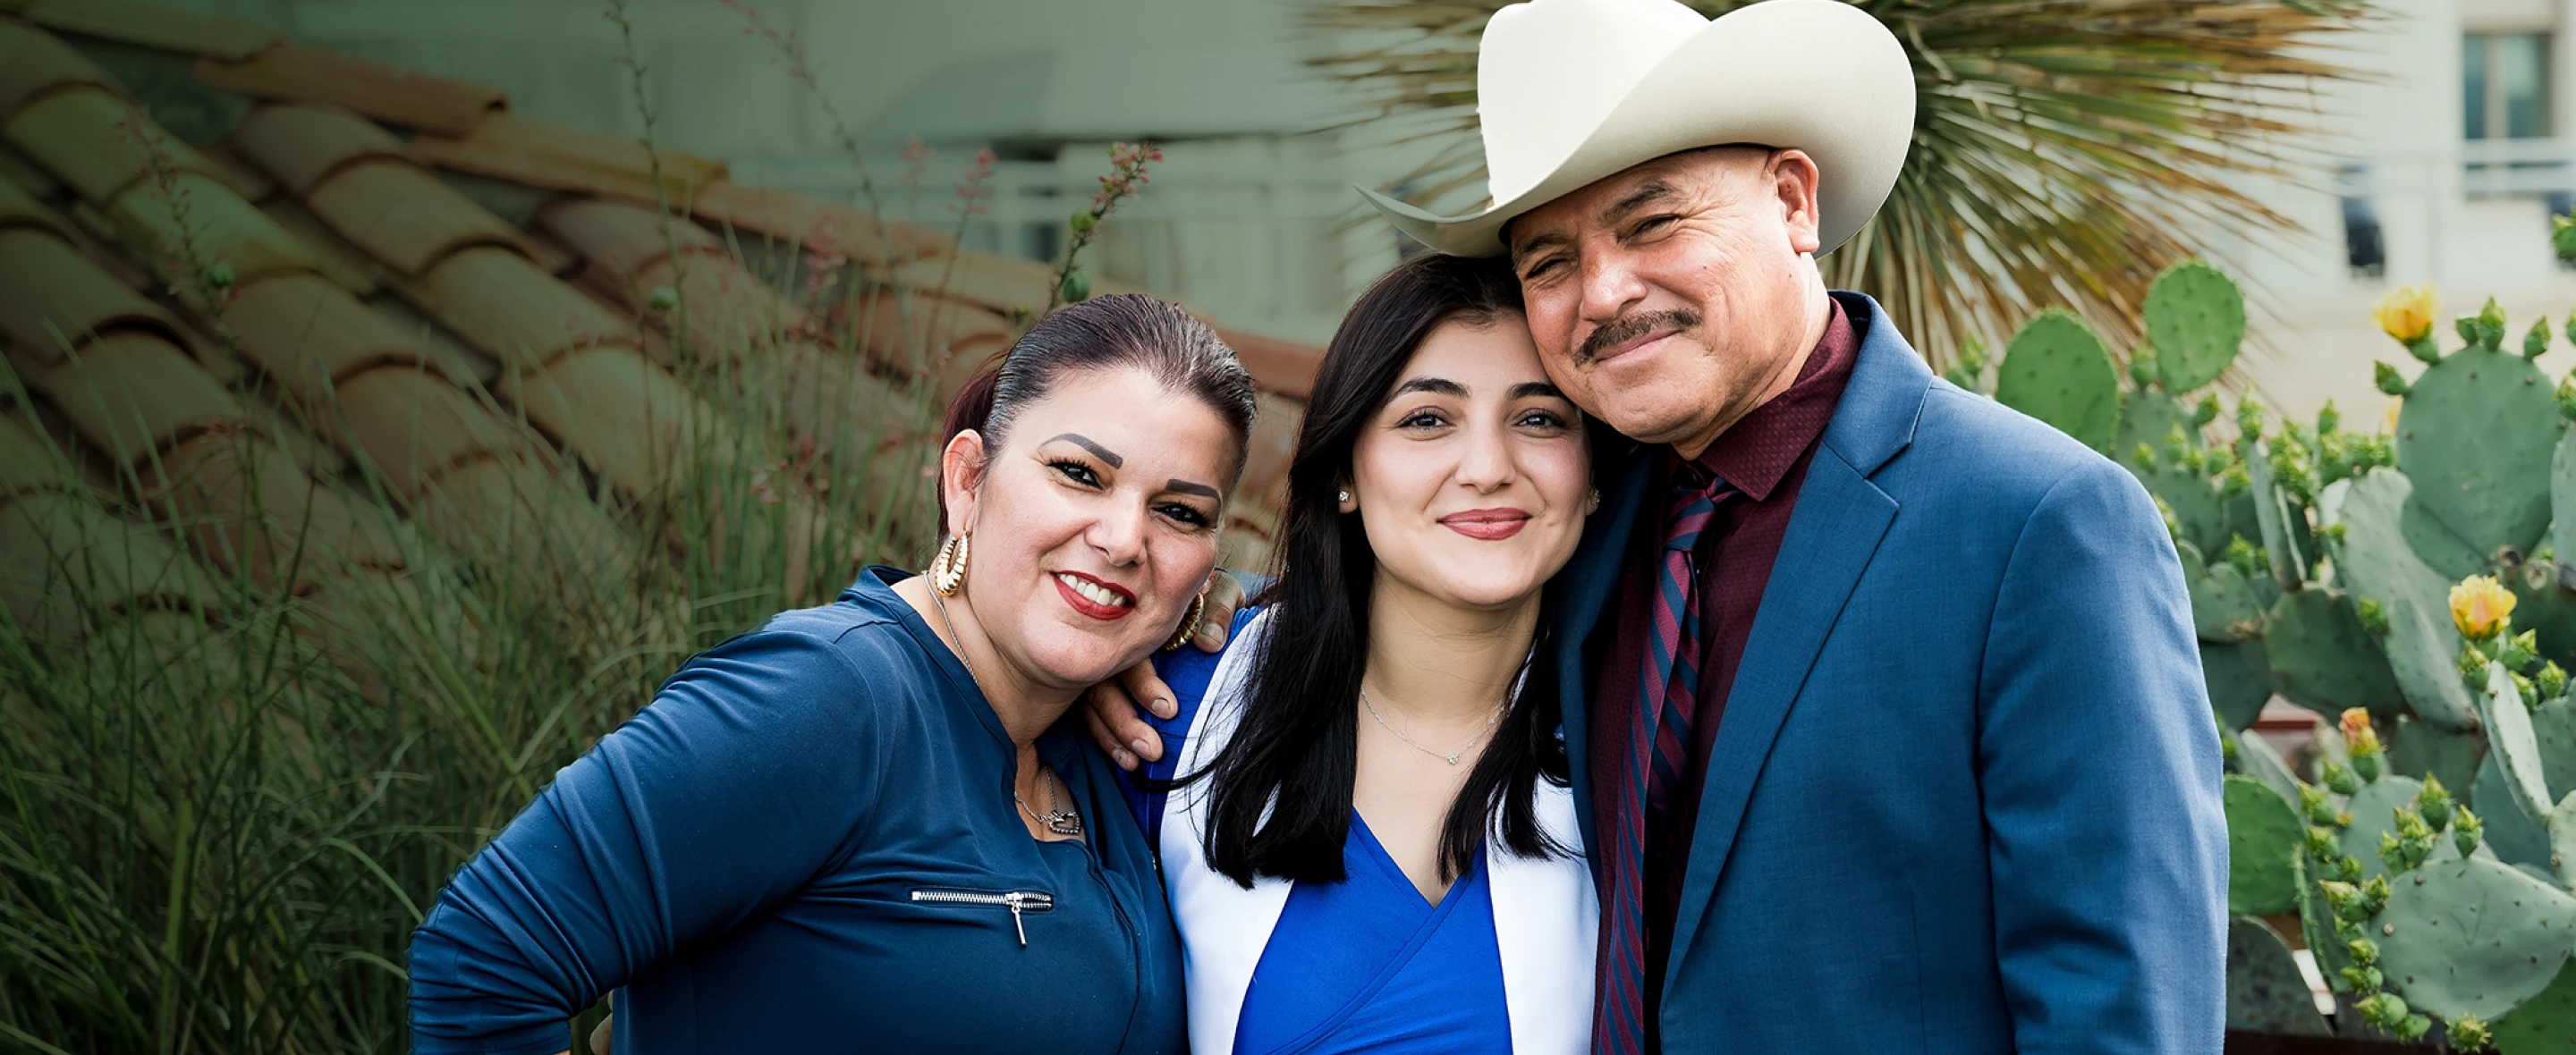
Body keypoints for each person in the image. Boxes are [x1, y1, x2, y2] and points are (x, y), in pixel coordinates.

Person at [1093, 1, 2229, 1052]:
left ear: (1794, 201)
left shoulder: (2036, 523)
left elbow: (2121, 1004)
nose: (1604, 293)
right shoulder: (1587, 514)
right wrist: (1163, 625)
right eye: (1551, 262)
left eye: (1653, 222)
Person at [409, 293, 1257, 1055]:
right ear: (968, 480)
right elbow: (482, 957)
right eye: (1079, 474)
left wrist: (1230, 611)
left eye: (1179, 512)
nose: (1124, 540)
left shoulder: (1101, 739)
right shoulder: (830, 695)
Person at [1122, 252, 1598, 1055]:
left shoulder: (1650, 730)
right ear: (1345, 468)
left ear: (1592, 474)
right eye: (1428, 420)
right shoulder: (1171, 710)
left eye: (1541, 419)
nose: (1489, 469)